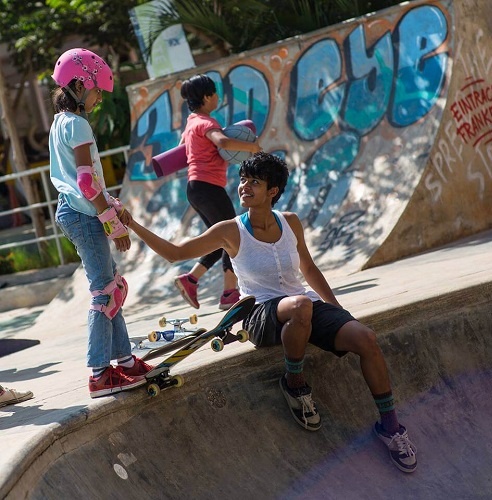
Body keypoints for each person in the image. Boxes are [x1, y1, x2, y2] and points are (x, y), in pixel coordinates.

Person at [127, 152, 417, 473]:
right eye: (242, 180)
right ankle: (295, 384)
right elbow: (176, 253)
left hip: (301, 305)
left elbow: (307, 267)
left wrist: (338, 310)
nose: (244, 187)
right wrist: (131, 223)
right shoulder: (231, 231)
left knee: (366, 338)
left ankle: (390, 427)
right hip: (258, 314)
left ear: (273, 191)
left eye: (254, 182)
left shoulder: (291, 222)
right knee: (301, 306)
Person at [49, 48, 153, 398]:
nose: (99, 100)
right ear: (80, 85)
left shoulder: (60, 123)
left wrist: (112, 204)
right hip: (83, 213)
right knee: (104, 293)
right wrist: (112, 221)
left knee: (112, 288)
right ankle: (98, 373)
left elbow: (83, 183)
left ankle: (124, 361)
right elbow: (85, 183)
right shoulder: (77, 125)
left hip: (77, 209)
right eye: (96, 92)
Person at [174, 74, 261, 310]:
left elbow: (184, 147)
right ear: (206, 97)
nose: (217, 98)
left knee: (219, 239)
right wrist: (251, 147)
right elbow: (222, 142)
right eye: (214, 94)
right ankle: (229, 293)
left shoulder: (191, 123)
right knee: (234, 235)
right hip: (208, 187)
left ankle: (190, 280)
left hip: (195, 188)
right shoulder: (206, 123)